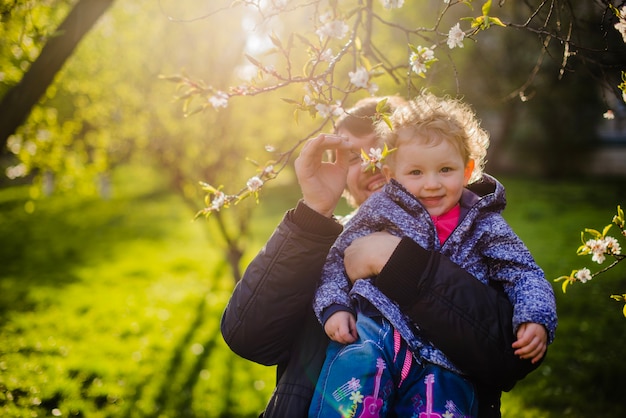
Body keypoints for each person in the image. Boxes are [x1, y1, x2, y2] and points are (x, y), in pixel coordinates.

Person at [220, 95, 547, 418]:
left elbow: (510, 355)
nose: (371, 163)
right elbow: (249, 337)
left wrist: (396, 262)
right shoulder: (322, 241)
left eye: (378, 147)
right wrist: (314, 214)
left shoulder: (478, 228)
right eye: (353, 155)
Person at [309, 92, 558, 417]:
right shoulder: (380, 209)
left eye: (445, 169)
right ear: (391, 174)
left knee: (443, 404)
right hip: (379, 328)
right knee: (356, 372)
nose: (431, 184)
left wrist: (534, 316)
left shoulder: (484, 223)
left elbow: (523, 272)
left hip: (447, 353)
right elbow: (335, 262)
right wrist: (334, 306)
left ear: (467, 169)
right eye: (415, 173)